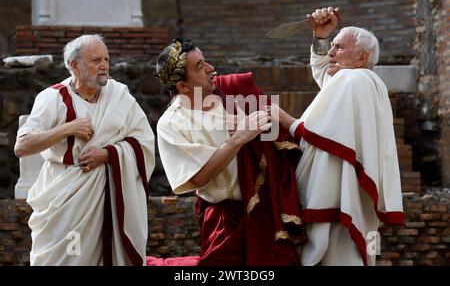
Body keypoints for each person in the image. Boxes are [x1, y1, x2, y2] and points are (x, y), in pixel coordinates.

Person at [271, 7, 405, 266]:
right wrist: (321, 37)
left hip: (338, 191)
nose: (331, 53)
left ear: (361, 57)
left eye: (339, 47)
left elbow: (319, 131)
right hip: (342, 189)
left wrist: (283, 118)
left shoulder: (353, 81)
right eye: (331, 46)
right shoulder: (359, 80)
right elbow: (326, 74)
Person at [153, 39, 305, 266]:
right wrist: (241, 136)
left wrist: (259, 120)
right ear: (183, 87)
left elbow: (274, 129)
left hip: (265, 209)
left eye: (205, 61)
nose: (210, 68)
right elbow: (198, 177)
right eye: (199, 66)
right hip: (223, 221)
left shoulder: (232, 94)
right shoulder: (171, 124)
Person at [14, 34, 155, 266]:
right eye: (95, 60)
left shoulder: (119, 95)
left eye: (107, 60)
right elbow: (23, 146)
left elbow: (144, 140)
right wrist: (68, 128)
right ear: (74, 65)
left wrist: (109, 154)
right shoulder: (53, 97)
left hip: (107, 195)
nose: (104, 66)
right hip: (64, 197)